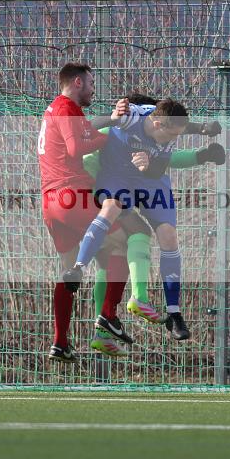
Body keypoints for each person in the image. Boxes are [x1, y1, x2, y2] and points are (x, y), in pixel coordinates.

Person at [38, 63, 149, 362]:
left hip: (51, 202)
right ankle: (108, 315)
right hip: (71, 195)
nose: (93, 88)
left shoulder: (56, 109)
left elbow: (85, 130)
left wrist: (111, 122)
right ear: (77, 82)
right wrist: (110, 136)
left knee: (69, 269)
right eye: (90, 83)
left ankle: (60, 342)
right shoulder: (67, 109)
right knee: (124, 242)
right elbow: (76, 148)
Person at [63, 99, 195, 340]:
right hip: (116, 174)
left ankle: (174, 313)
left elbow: (158, 170)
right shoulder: (132, 117)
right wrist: (113, 118)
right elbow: (92, 125)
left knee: (169, 235)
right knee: (111, 207)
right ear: (156, 123)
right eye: (172, 135)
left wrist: (148, 166)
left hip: (149, 180)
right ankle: (78, 269)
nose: (174, 140)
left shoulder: (167, 138)